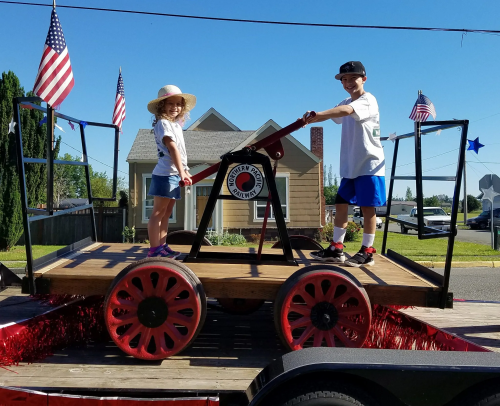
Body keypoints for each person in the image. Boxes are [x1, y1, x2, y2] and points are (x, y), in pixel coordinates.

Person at [305, 61, 386, 267]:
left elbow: (345, 111)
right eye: (344, 79)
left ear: (364, 79)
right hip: (350, 166)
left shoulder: (368, 100)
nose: (348, 82)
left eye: (353, 78)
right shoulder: (345, 100)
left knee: (368, 209)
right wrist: (310, 119)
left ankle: (367, 251)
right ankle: (337, 248)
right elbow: (336, 113)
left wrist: (318, 115)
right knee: (341, 204)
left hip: (369, 164)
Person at [146, 85, 196, 258]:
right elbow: (172, 149)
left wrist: (185, 170)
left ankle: (162, 245)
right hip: (165, 174)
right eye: (170, 103)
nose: (175, 107)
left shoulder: (175, 126)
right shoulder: (163, 124)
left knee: (166, 214)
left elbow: (181, 152)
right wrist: (182, 173)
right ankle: (154, 250)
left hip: (174, 173)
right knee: (158, 213)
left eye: (178, 104)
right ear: (162, 106)